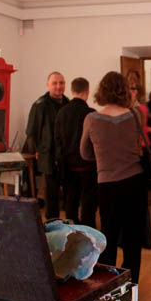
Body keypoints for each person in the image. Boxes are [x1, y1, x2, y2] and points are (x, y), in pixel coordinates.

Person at [79, 71, 148, 284]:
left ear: (101, 91)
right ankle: (131, 284)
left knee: (108, 233)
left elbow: (84, 153)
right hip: (134, 181)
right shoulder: (136, 115)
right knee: (133, 236)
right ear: (125, 91)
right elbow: (139, 144)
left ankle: (109, 284)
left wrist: (103, 156)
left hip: (107, 183)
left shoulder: (91, 119)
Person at [54, 77, 98, 227]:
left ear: (71, 91)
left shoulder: (61, 112)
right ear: (87, 91)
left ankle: (71, 225)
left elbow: (57, 139)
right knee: (89, 199)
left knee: (71, 197)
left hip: (68, 163)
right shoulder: (91, 113)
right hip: (88, 163)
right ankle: (88, 227)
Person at [25, 72, 69, 219]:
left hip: (65, 156)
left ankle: (69, 224)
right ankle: (52, 223)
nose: (58, 86)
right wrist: (36, 150)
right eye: (55, 83)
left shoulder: (68, 104)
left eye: (61, 83)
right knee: (51, 194)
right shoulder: (40, 105)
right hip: (48, 155)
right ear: (48, 85)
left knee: (69, 193)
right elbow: (31, 131)